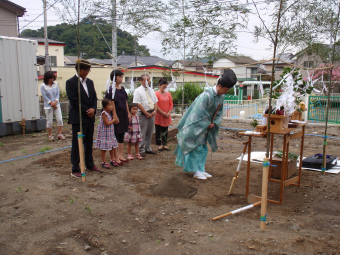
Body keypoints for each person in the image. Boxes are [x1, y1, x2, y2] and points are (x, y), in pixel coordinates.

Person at [175, 69, 237, 180]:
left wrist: (214, 122)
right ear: (219, 86)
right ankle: (194, 170)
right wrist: (207, 123)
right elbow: (198, 113)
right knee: (194, 146)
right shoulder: (206, 96)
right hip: (195, 125)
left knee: (203, 147)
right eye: (226, 89)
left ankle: (201, 168)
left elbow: (219, 113)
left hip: (206, 125)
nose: (226, 92)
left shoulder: (220, 97)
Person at [66, 59, 102, 178]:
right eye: (85, 70)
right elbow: (74, 101)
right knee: (77, 143)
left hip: (90, 117)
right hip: (79, 117)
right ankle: (75, 167)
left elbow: (94, 98)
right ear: (79, 69)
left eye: (88, 70)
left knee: (89, 141)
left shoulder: (90, 82)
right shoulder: (71, 82)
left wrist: (93, 109)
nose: (87, 72)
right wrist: (87, 110)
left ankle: (89, 163)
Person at [105, 70, 130, 165]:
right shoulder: (111, 89)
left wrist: (128, 113)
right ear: (114, 78)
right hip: (116, 115)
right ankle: (114, 157)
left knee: (121, 135)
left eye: (121, 77)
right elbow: (111, 102)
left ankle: (120, 155)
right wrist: (114, 115)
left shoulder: (122, 89)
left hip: (123, 114)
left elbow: (126, 102)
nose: (121, 78)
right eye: (119, 77)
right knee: (115, 135)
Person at [133, 74, 158, 157]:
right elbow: (138, 103)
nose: (147, 81)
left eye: (148, 80)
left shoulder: (151, 90)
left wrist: (155, 111)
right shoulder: (138, 91)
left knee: (150, 132)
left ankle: (148, 148)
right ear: (141, 81)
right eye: (145, 80)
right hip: (143, 114)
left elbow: (155, 101)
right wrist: (146, 113)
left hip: (152, 112)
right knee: (142, 132)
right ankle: (141, 149)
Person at [40, 71, 65, 141]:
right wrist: (51, 103)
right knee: (49, 121)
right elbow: (44, 96)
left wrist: (56, 102)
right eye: (50, 78)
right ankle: (50, 135)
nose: (51, 80)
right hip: (48, 106)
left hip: (56, 104)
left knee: (60, 119)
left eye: (52, 78)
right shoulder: (43, 86)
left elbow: (57, 94)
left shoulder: (56, 84)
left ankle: (60, 134)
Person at [95, 99, 119, 169]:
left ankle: (112, 159)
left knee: (112, 147)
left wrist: (115, 120)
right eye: (109, 105)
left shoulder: (109, 114)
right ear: (104, 106)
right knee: (104, 149)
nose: (111, 107)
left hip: (110, 134)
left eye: (111, 105)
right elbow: (107, 123)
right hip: (105, 135)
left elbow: (112, 122)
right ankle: (103, 161)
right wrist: (114, 120)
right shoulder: (104, 113)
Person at [155, 78, 173, 151]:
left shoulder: (168, 94)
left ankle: (165, 144)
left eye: (166, 87)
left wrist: (168, 112)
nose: (164, 88)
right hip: (159, 115)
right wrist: (162, 113)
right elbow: (156, 105)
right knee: (158, 130)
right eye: (163, 87)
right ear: (159, 85)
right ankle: (159, 144)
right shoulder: (156, 94)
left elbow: (171, 104)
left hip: (166, 115)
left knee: (165, 130)